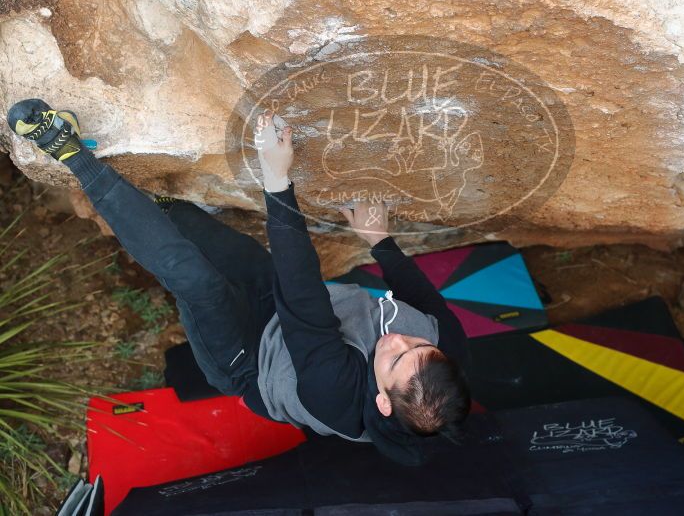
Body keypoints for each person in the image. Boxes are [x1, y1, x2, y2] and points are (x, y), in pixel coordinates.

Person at [7, 99, 470, 465]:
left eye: (395, 360)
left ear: (383, 403)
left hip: (250, 362)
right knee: (203, 233)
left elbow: (302, 291)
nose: (396, 339)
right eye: (415, 343)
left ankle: (70, 152)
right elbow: (422, 296)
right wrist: (379, 239)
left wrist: (276, 177)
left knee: (195, 279)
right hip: (285, 312)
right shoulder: (444, 350)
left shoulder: (335, 394)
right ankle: (154, 203)